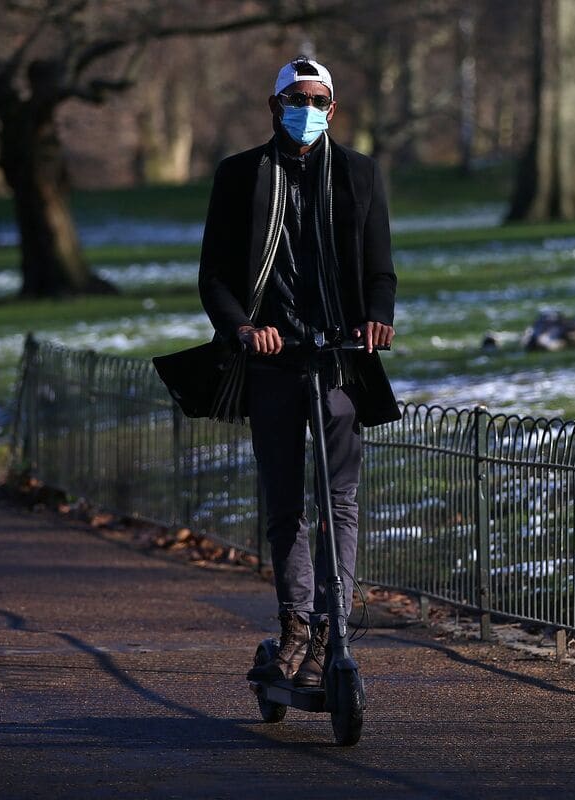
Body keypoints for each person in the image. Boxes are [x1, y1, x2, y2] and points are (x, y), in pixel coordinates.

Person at [198, 56, 400, 686]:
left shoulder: (360, 174)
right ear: (274, 105)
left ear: (332, 110)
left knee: (339, 500)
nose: (306, 110)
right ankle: (295, 626)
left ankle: (331, 628)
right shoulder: (240, 175)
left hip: (339, 359)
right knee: (285, 503)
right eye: (295, 100)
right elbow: (214, 276)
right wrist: (244, 327)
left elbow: (380, 269)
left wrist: (377, 318)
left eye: (317, 101)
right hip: (273, 359)